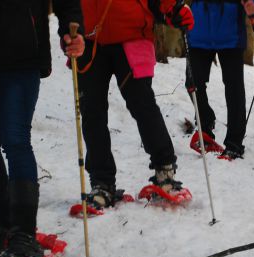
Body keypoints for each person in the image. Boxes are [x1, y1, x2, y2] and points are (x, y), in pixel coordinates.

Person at [0, 0, 85, 257]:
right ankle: (0, 228)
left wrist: (72, 32)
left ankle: (23, 235)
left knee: (14, 138)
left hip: (22, 53)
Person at [78, 0, 194, 208]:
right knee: (91, 112)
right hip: (88, 40)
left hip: (132, 34)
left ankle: (164, 169)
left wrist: (173, 8)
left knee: (142, 105)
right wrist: (67, 31)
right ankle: (101, 182)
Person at [186, 0, 254, 160]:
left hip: (230, 33)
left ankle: (234, 144)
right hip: (198, 31)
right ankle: (206, 123)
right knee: (192, 84)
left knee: (234, 89)